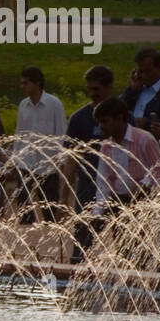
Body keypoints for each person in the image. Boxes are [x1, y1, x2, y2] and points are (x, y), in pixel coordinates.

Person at [90, 98, 160, 215]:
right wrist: (97, 214)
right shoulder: (106, 147)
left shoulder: (144, 139)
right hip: (119, 206)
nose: (101, 126)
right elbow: (103, 184)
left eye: (105, 121)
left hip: (146, 205)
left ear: (119, 118)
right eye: (99, 122)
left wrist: (142, 187)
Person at [12, 66, 66, 221]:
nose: (23, 87)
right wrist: (15, 160)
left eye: (26, 83)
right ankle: (28, 242)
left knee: (50, 210)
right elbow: (19, 133)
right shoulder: (23, 105)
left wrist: (61, 162)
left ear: (37, 83)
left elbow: (61, 134)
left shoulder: (54, 104)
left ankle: (51, 242)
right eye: (22, 83)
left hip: (47, 164)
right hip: (26, 163)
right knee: (24, 211)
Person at [61, 65, 114, 212]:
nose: (91, 94)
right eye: (89, 89)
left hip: (117, 186)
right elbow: (72, 159)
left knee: (122, 233)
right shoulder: (79, 118)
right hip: (87, 185)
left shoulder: (121, 116)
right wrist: (64, 196)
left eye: (96, 89)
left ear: (109, 88)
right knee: (83, 232)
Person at [120, 46, 160, 129]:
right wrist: (131, 90)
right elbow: (117, 110)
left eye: (148, 71)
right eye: (140, 71)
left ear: (159, 68)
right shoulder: (136, 87)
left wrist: (147, 124)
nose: (143, 75)